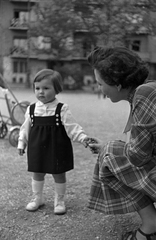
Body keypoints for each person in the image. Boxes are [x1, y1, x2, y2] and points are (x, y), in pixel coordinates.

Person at [87, 46, 156, 240]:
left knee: (109, 155)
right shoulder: (149, 89)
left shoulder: (144, 95)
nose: (99, 89)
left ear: (117, 83)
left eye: (100, 83)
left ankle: (151, 223)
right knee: (109, 151)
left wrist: (109, 149)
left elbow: (137, 157)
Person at [17, 69, 89, 215]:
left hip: (57, 146)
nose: (41, 92)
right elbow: (25, 128)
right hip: (37, 146)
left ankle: (60, 200)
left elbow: (72, 127)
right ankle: (38, 198)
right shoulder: (31, 109)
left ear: (57, 89)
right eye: (37, 88)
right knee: (37, 172)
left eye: (46, 88)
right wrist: (21, 143)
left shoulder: (61, 108)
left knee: (59, 173)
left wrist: (83, 138)